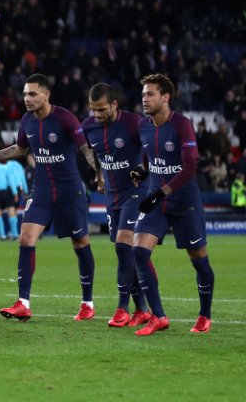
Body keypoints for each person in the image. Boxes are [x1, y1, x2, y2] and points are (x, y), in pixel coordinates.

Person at [0, 73, 104, 322]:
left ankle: (87, 302)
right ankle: (23, 302)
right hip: (41, 190)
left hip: (69, 190)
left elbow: (85, 148)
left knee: (80, 242)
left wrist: (99, 174)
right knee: (25, 238)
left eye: (32, 93)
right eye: (24, 94)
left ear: (46, 95)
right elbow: (19, 149)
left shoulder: (64, 117)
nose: (27, 98)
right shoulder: (27, 121)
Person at [130, 73, 215, 335]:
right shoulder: (144, 127)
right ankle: (159, 316)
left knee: (198, 260)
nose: (145, 98)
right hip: (158, 199)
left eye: (150, 94)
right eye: (143, 94)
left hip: (184, 202)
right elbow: (151, 158)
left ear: (165, 97)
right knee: (139, 251)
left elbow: (190, 167)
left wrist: (160, 192)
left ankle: (204, 316)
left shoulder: (182, 125)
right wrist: (143, 173)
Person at [81, 83, 150, 328]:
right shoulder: (89, 127)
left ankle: (122, 308)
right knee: (123, 250)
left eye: (101, 109)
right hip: (112, 196)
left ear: (114, 104)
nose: (97, 115)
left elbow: (153, 149)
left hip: (137, 192)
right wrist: (99, 175)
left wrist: (144, 170)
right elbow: (95, 155)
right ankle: (142, 309)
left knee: (123, 246)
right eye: (93, 110)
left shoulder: (134, 123)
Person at [4, 159, 27, 238]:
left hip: (10, 189)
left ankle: (15, 233)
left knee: (11, 209)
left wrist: (14, 193)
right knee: (15, 211)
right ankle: (13, 232)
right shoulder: (20, 166)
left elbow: (10, 180)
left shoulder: (7, 166)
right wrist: (26, 191)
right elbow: (23, 179)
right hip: (18, 189)